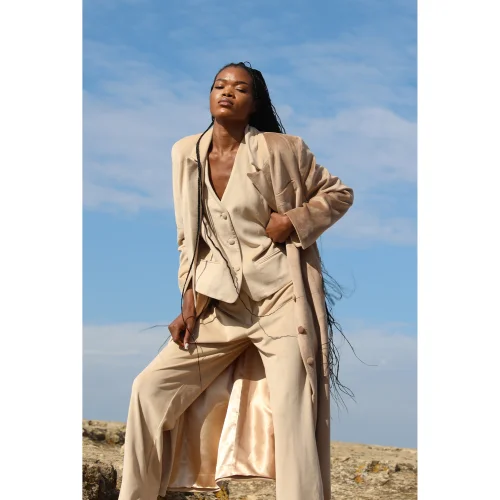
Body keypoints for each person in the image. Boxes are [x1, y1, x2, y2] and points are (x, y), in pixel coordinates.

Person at [118, 62, 354, 500]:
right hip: (220, 307)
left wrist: (294, 220)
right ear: (210, 95)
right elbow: (189, 238)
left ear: (254, 102)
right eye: (219, 85)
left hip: (280, 302)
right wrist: (188, 304)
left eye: (240, 88)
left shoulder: (282, 149)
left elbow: (339, 194)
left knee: (293, 414)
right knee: (149, 390)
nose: (227, 92)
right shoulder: (185, 153)